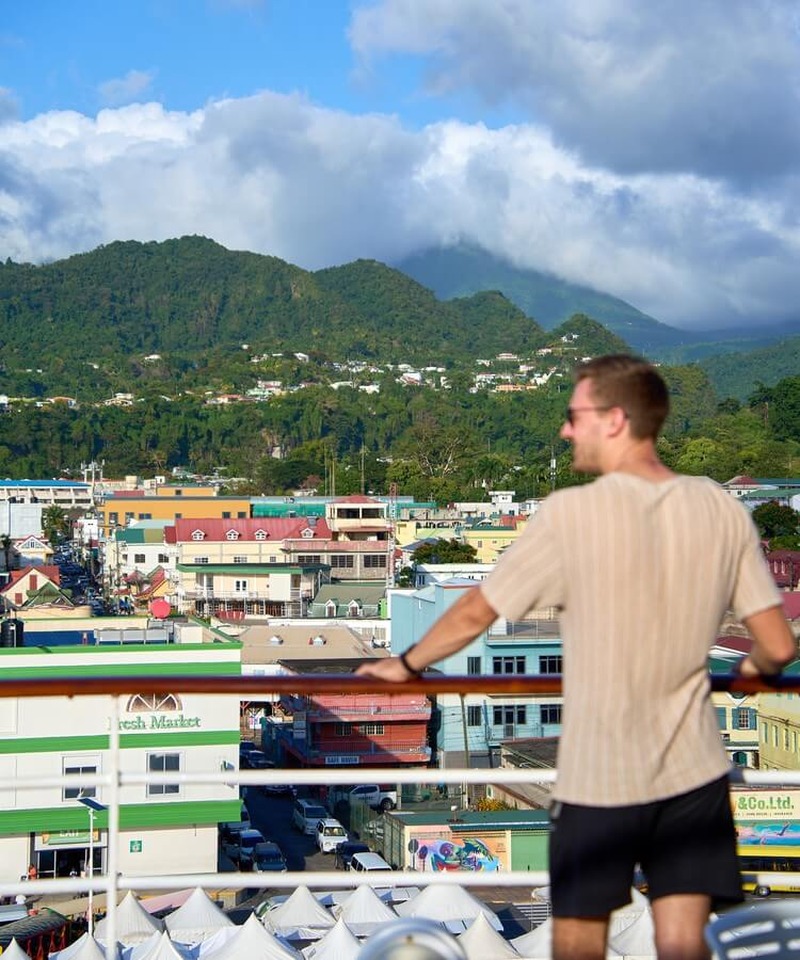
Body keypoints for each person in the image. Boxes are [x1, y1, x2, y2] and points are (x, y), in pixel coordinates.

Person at [357, 354, 797, 960]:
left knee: (580, 940)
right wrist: (752, 673)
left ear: (615, 420)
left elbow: (475, 611)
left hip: (601, 774)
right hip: (693, 769)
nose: (566, 430)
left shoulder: (571, 514)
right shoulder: (718, 506)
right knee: (680, 942)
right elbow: (776, 645)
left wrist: (404, 666)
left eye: (574, 416)